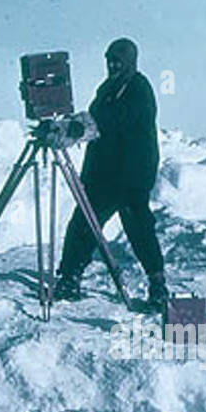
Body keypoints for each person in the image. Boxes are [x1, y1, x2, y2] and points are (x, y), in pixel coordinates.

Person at [55, 38, 168, 311]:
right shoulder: (107, 88)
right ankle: (69, 278)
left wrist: (76, 129)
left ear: (130, 61)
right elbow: (98, 118)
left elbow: (116, 120)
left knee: (139, 229)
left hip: (131, 175)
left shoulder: (139, 88)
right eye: (109, 60)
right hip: (104, 174)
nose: (113, 65)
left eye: (118, 60)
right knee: (83, 224)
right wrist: (69, 127)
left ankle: (158, 284)